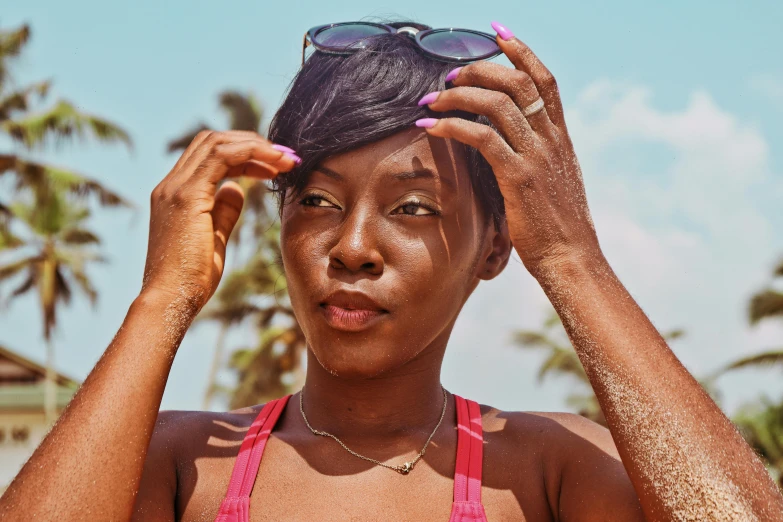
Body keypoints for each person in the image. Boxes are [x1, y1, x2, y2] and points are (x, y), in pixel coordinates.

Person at [1, 19, 782, 522]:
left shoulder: (545, 473)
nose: (350, 246)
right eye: (315, 200)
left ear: (494, 248)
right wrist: (162, 299)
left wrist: (571, 257)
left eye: (413, 208)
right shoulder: (180, 467)